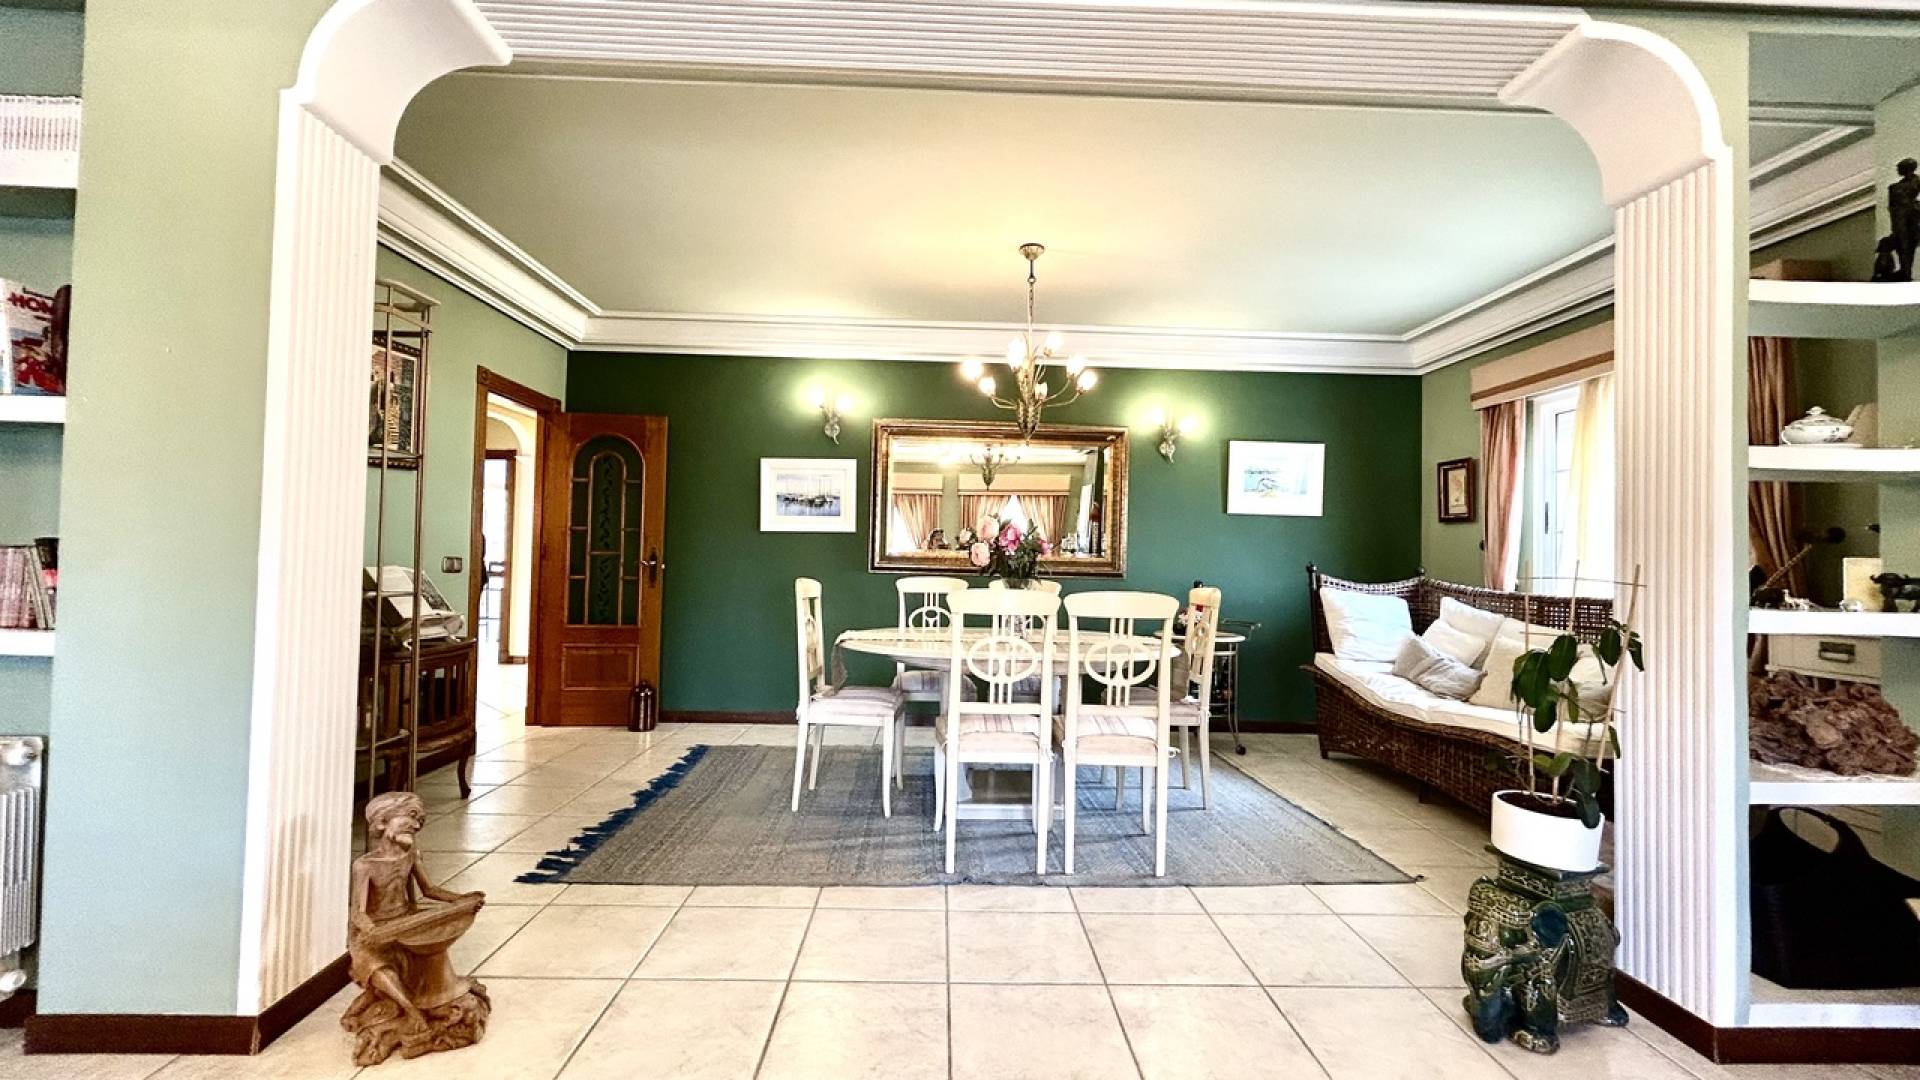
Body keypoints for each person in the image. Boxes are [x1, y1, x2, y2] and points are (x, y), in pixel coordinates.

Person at [346, 792, 484, 1036]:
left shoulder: (411, 855)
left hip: (406, 921)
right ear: (382, 822)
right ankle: (411, 1012)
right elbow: (358, 912)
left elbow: (429, 890)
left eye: (419, 820)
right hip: (373, 931)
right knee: (380, 970)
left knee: (433, 946)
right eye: (410, 817)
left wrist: (460, 899)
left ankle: (432, 998)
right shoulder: (365, 865)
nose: (416, 825)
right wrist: (371, 930)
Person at [1890, 157, 1919, 282]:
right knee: (1901, 244)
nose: (1897, 169)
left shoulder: (1917, 181)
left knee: (1910, 243)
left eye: (1899, 167)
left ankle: (1907, 271)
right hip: (1899, 218)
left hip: (1912, 216)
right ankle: (1904, 270)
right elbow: (1891, 206)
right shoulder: (1894, 187)